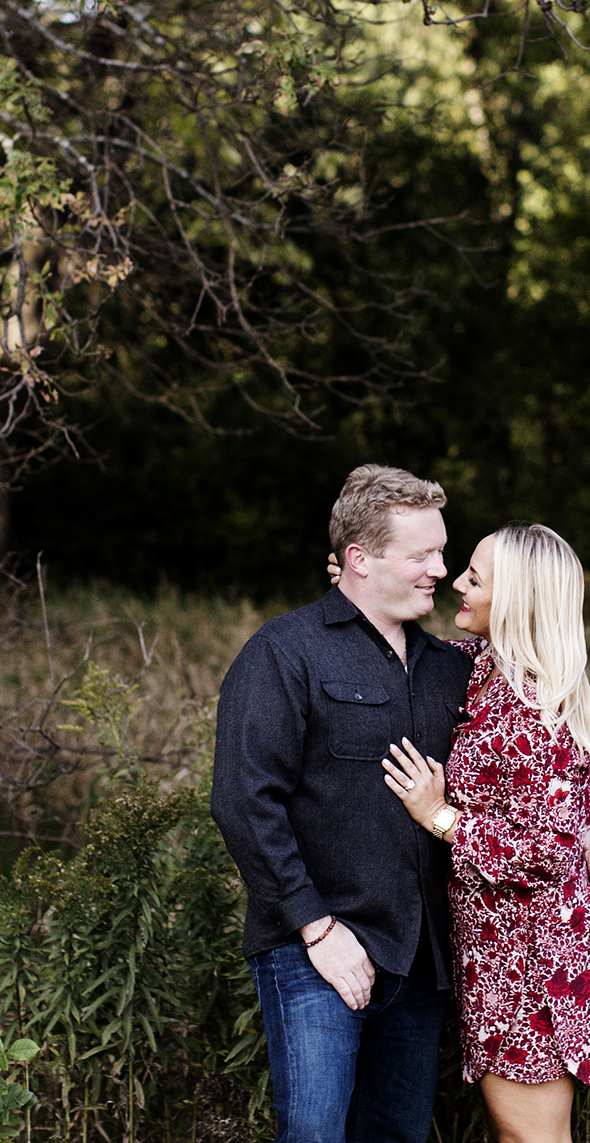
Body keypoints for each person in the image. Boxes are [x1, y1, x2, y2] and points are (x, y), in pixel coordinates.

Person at [211, 464, 476, 1143]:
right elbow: (244, 800)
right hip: (315, 954)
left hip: (420, 961)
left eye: (442, 553)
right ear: (359, 559)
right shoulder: (284, 651)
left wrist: (581, 829)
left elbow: (524, 762)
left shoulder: (453, 666)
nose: (440, 570)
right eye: (422, 555)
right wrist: (317, 928)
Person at [372, 524, 590, 1143]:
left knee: (532, 1139)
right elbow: (561, 814)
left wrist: (439, 816)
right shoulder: (485, 670)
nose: (457, 581)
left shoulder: (530, 706)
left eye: (475, 579)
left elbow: (547, 847)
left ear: (515, 602)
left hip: (530, 962)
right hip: (498, 952)